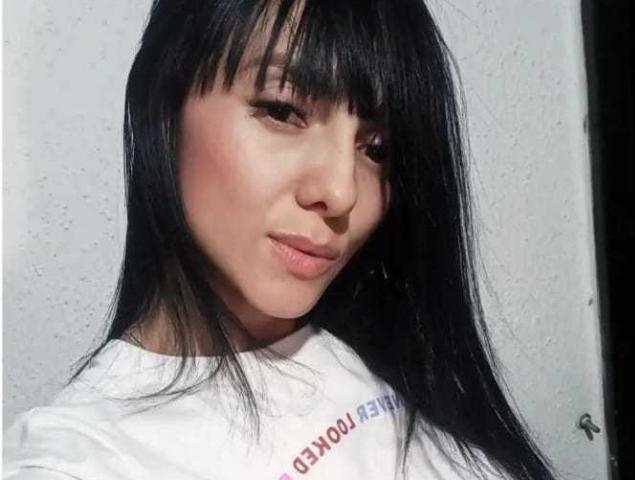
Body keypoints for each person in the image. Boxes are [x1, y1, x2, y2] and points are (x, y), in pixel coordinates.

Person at [4, 0, 558, 479]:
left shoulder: (396, 357)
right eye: (283, 110)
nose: (341, 192)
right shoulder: (79, 458)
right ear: (164, 109)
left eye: (377, 149)